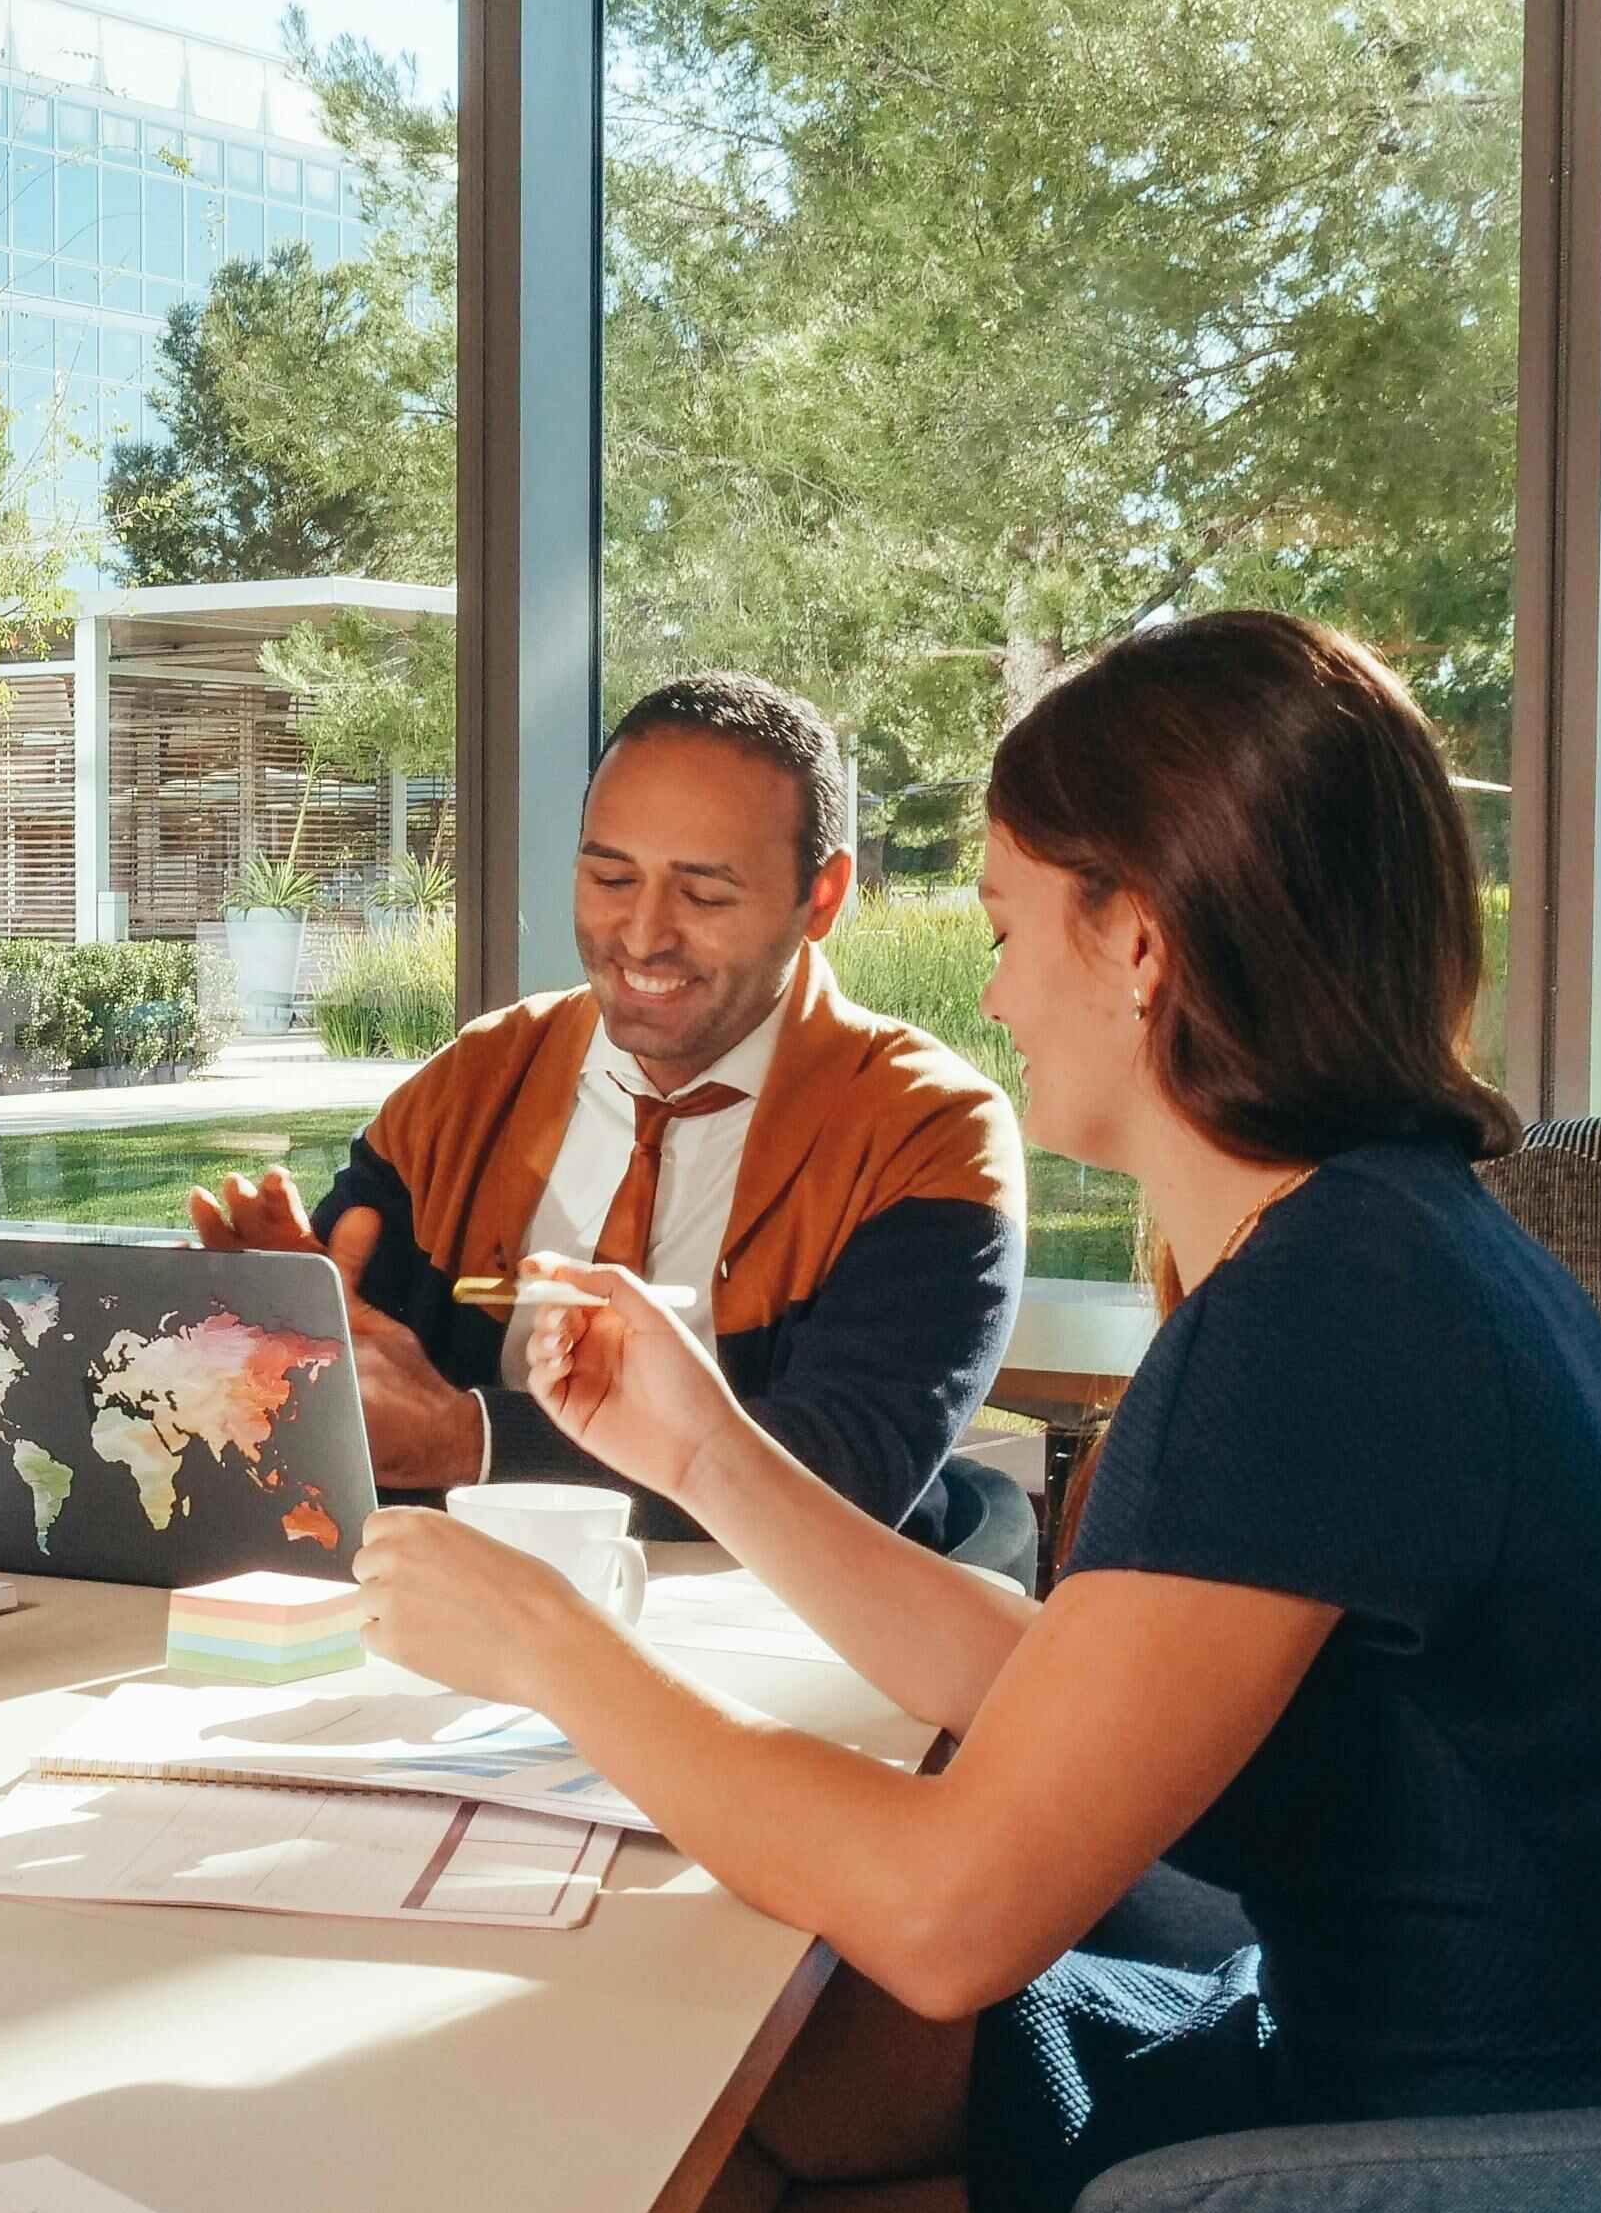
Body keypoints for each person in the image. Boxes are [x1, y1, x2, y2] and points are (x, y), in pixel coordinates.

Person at [349, 612, 1601, 2213]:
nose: (987, 994)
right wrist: (698, 1455)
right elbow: (1062, 1685)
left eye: (1000, 928)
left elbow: (945, 1917)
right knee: (757, 2112)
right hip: (1521, 2100)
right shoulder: (1394, 1234)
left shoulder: (1322, 1318)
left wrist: (552, 1652)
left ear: (1135, 940)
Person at [190, 674, 1030, 1572]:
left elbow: (843, 1469)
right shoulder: (473, 1083)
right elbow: (355, 1389)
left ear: (822, 897)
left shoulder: (928, 1133)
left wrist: (469, 1440)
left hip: (782, 1654)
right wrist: (289, 1342)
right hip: (454, 1628)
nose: (642, 934)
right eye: (610, 876)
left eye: (705, 895)